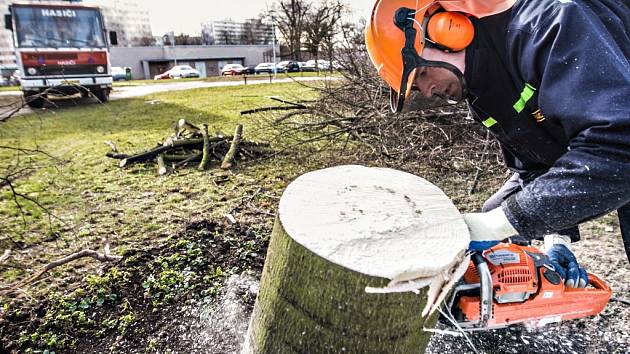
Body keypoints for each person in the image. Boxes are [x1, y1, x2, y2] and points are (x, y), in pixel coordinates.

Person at [365, 0, 630, 288]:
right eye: (416, 88)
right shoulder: (484, 94)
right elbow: (537, 166)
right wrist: (556, 235)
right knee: (495, 209)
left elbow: (620, 146)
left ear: (446, 31)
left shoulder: (549, 25)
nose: (428, 91)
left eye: (422, 74)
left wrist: (504, 221)